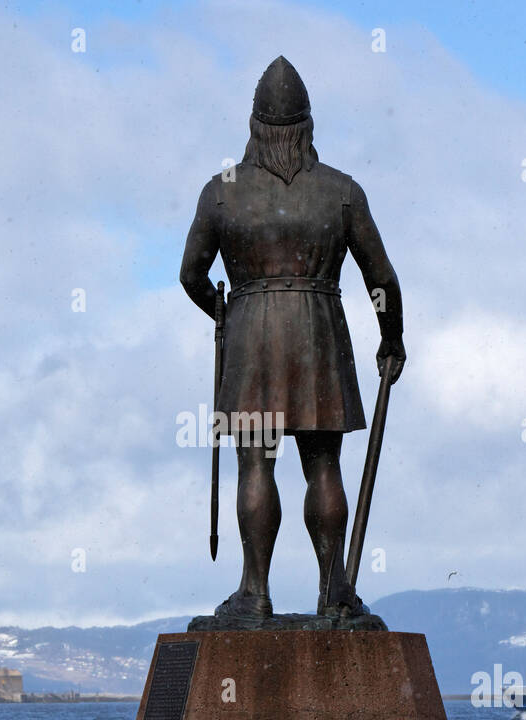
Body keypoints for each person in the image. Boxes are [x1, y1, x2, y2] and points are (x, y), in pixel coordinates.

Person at [180, 56, 405, 619]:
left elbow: (191, 274)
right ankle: (334, 593)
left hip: (252, 337)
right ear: (307, 126)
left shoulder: (222, 189)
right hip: (319, 336)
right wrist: (391, 338)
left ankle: (255, 593)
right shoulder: (341, 190)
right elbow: (380, 279)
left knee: (255, 463)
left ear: (255, 125)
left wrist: (223, 313)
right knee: (323, 465)